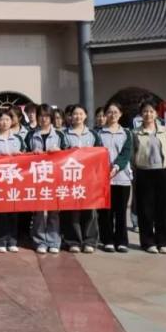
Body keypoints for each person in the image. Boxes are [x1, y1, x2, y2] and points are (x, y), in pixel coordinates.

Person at [132, 100, 166, 254]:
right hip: (144, 173)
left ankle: (163, 242)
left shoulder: (165, 132)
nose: (148, 114)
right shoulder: (135, 133)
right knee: (145, 209)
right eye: (145, 111)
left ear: (156, 114)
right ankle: (148, 242)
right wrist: (132, 175)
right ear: (141, 114)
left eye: (151, 111)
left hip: (163, 172)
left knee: (163, 209)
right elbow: (131, 156)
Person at [26, 104, 66, 254]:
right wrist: (32, 153)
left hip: (54, 177)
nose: (44, 119)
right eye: (41, 116)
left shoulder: (60, 135)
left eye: (47, 116)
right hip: (36, 177)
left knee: (54, 211)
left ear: (51, 118)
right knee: (38, 211)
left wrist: (59, 151)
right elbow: (23, 154)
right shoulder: (30, 135)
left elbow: (68, 155)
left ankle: (54, 241)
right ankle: (40, 241)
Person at [62, 104, 102, 253]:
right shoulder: (64, 134)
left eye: (80, 114)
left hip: (89, 179)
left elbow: (100, 154)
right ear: (70, 117)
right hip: (70, 178)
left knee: (89, 209)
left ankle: (89, 241)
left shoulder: (93, 135)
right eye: (75, 114)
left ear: (85, 116)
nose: (77, 116)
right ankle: (73, 241)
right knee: (71, 211)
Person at [0, 109, 26, 253]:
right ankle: (0, 241)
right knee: (0, 212)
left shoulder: (18, 139)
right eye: (2, 120)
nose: (4, 122)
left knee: (13, 212)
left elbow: (26, 158)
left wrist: (20, 156)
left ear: (12, 121)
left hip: (14, 179)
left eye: (7, 120)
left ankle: (12, 240)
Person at [98, 102, 133, 253]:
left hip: (122, 178)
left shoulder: (126, 133)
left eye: (115, 112)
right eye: (109, 112)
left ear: (120, 114)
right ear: (105, 114)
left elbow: (126, 153)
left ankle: (122, 241)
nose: (112, 115)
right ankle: (107, 240)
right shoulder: (98, 133)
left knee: (120, 212)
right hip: (103, 178)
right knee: (106, 212)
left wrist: (116, 167)